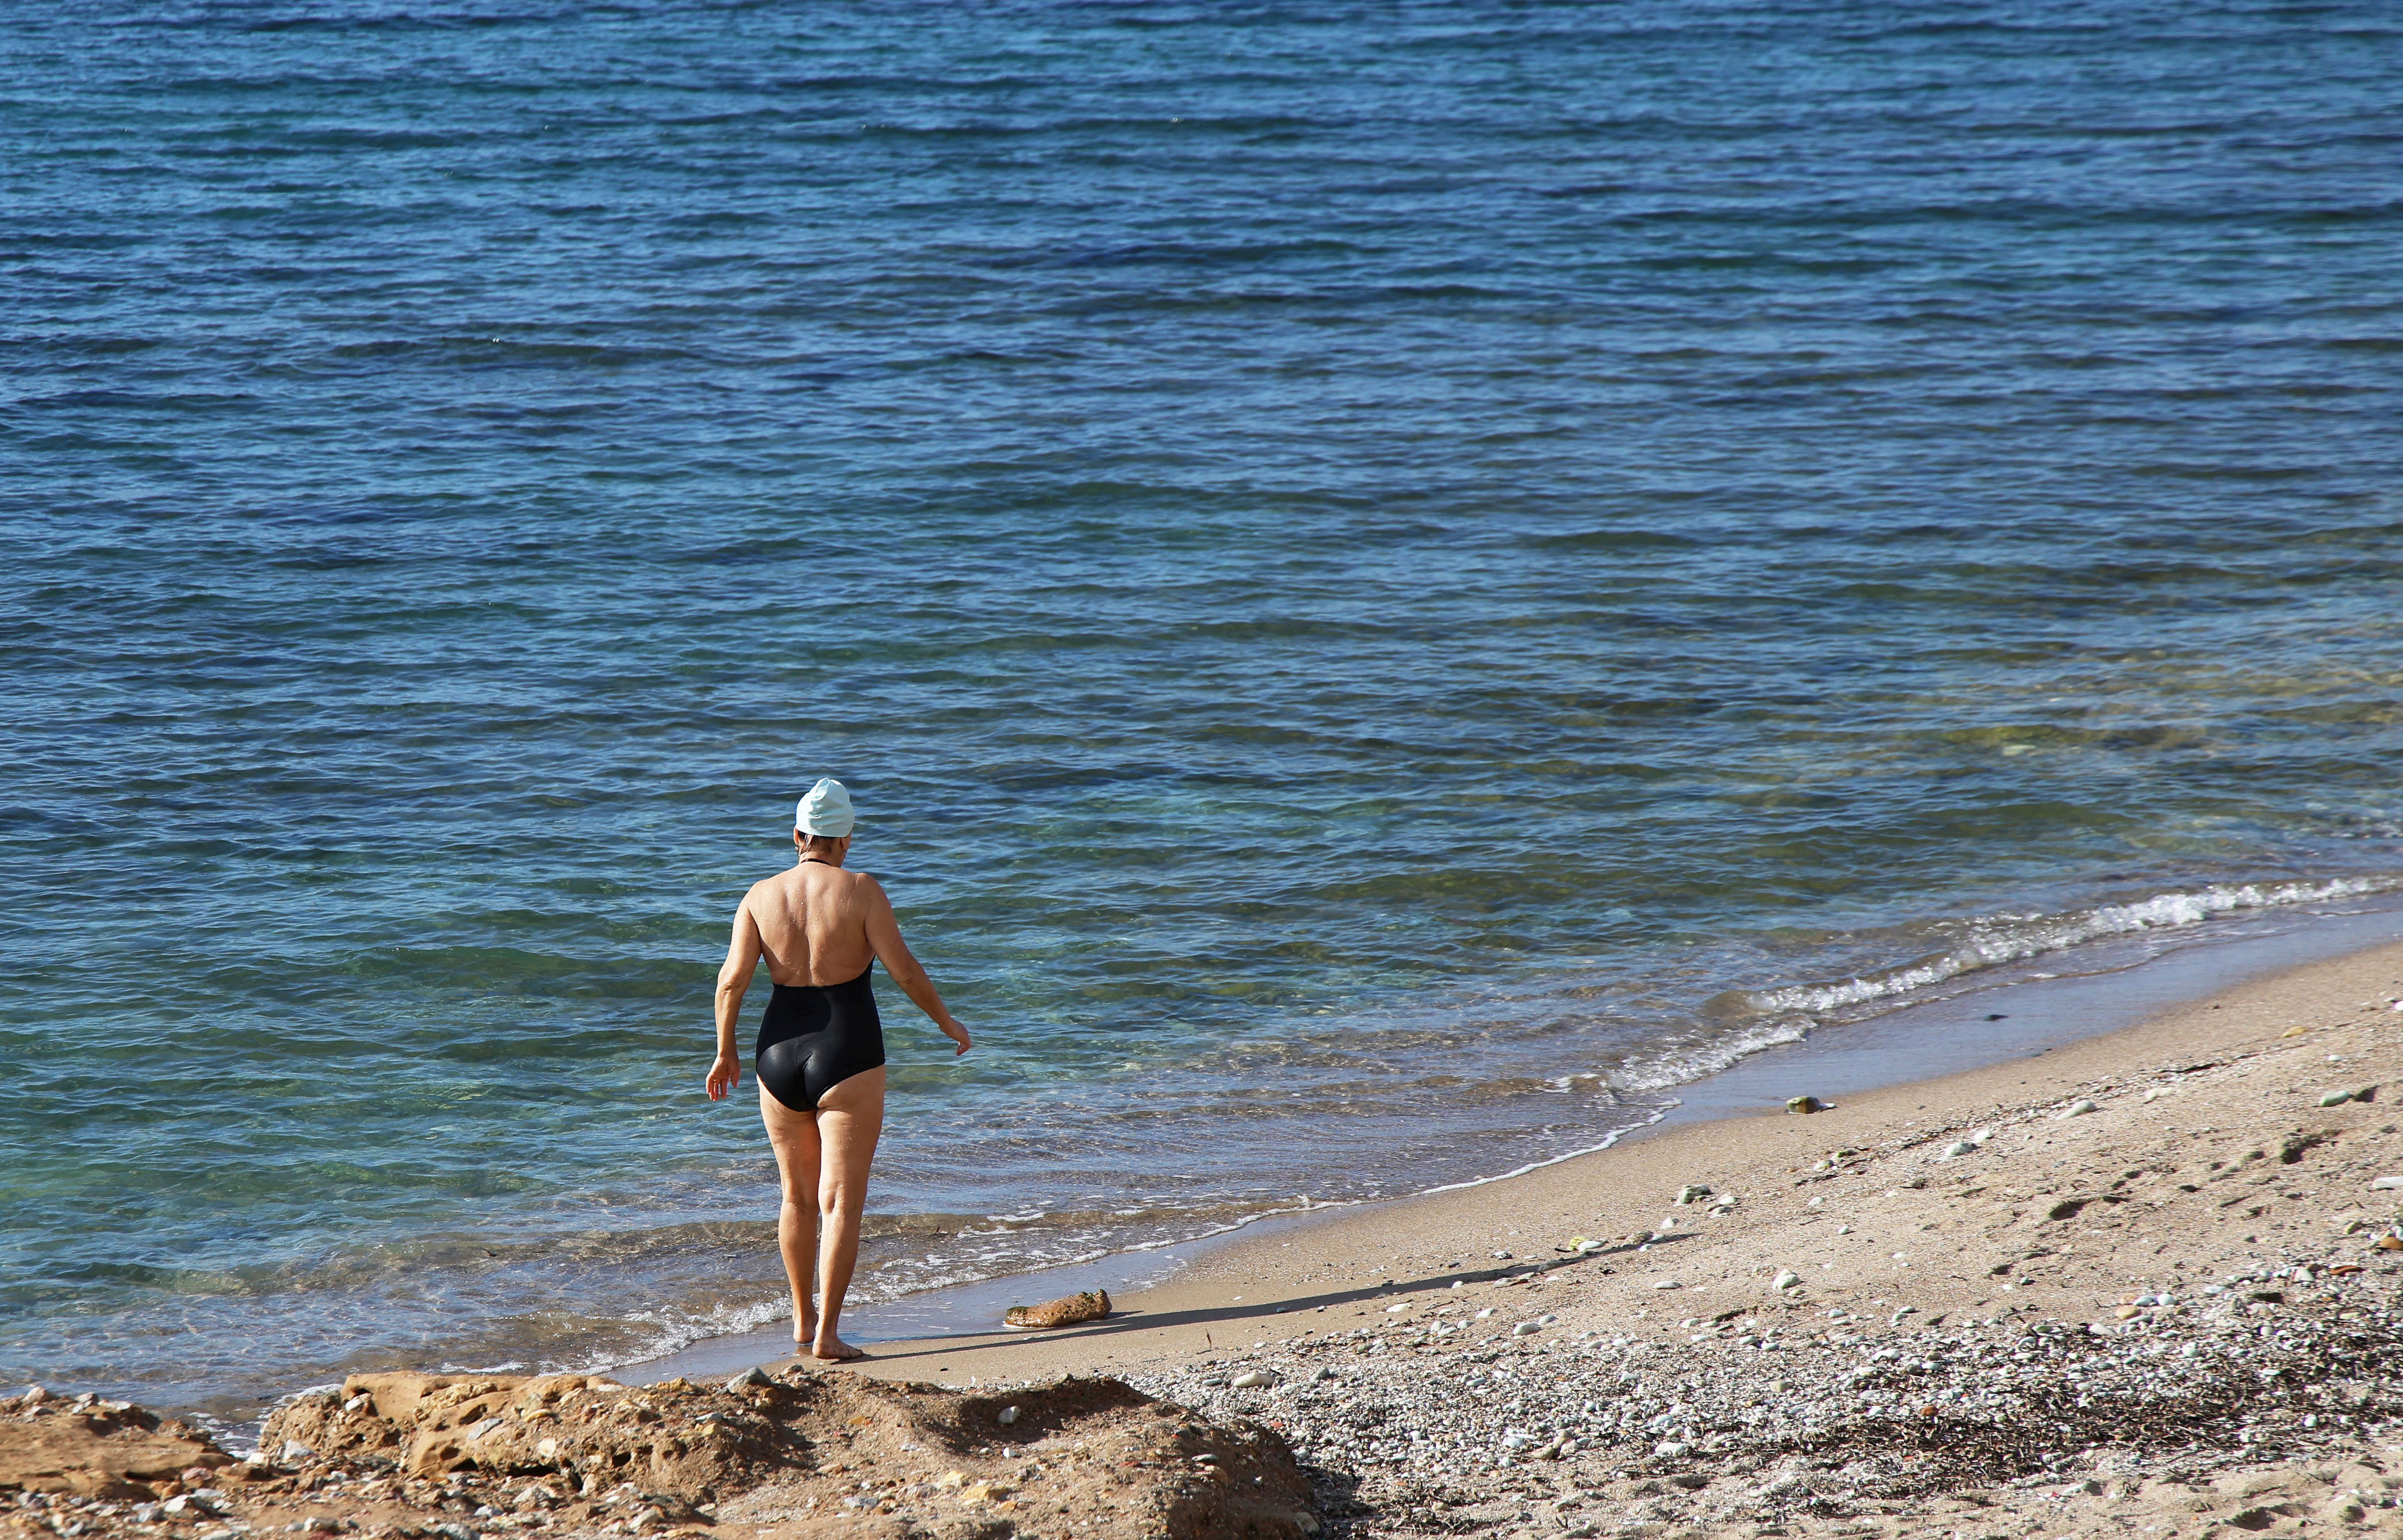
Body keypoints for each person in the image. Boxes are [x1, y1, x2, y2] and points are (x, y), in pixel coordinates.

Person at [706, 777, 971, 1361]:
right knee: (841, 1201)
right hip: (846, 1049)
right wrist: (946, 1021)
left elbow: (731, 980)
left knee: (795, 1198)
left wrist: (724, 1050)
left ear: (797, 836)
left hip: (775, 1052)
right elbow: (902, 969)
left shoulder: (760, 895)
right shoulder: (861, 890)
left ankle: (802, 1323)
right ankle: (828, 1334)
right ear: (846, 839)